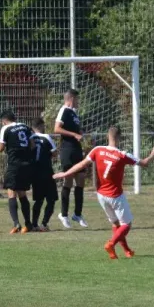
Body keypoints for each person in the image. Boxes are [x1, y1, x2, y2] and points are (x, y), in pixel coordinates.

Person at [54, 127, 154, 258]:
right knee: (126, 225)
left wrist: (65, 173)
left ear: (107, 137)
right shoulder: (122, 155)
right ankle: (111, 244)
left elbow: (82, 165)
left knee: (115, 224)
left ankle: (127, 251)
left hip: (101, 196)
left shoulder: (97, 150)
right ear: (119, 138)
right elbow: (145, 163)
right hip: (116, 196)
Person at [54, 89, 88, 228]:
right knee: (68, 180)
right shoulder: (64, 110)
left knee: (80, 180)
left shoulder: (74, 113)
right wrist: (74, 135)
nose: (79, 102)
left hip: (76, 150)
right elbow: (57, 129)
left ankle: (77, 214)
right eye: (77, 99)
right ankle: (63, 214)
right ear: (72, 98)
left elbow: (75, 130)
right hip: (67, 150)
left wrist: (79, 133)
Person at [0, 111, 35, 234]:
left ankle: (16, 224)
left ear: (4, 120)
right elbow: (32, 145)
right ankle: (28, 224)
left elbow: (1, 149)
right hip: (26, 164)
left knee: (11, 193)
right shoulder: (25, 126)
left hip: (14, 164)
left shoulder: (5, 128)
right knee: (23, 194)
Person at [30, 118, 59, 231]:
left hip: (35, 172)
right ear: (41, 126)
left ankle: (34, 224)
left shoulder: (30, 138)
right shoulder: (46, 137)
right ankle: (44, 224)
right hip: (46, 172)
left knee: (38, 200)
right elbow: (55, 153)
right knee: (51, 199)